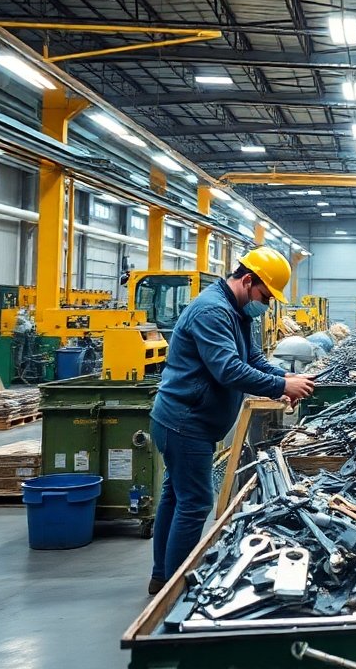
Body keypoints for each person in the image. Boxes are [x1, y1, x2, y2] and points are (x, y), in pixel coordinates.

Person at [147, 247, 315, 594]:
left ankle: (162, 576)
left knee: (175, 498)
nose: (265, 304)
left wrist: (280, 378)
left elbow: (252, 356)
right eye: (265, 296)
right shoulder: (212, 311)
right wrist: (281, 385)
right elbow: (228, 370)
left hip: (189, 421)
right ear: (248, 280)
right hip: (184, 422)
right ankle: (175, 590)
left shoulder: (237, 312)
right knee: (194, 504)